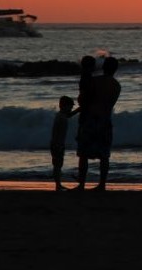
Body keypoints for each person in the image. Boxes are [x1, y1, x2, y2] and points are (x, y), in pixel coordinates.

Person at [74, 56, 121, 191]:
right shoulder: (117, 86)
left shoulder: (95, 81)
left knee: (83, 154)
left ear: (103, 67)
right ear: (115, 69)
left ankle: (82, 184)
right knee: (104, 155)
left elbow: (84, 100)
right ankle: (102, 184)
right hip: (105, 121)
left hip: (90, 119)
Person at [50, 96, 79, 191]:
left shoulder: (61, 115)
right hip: (57, 144)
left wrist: (78, 110)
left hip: (56, 143)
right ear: (63, 106)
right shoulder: (61, 118)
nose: (71, 109)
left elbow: (69, 115)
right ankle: (58, 185)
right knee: (57, 165)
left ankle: (58, 185)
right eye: (70, 107)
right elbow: (57, 133)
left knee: (58, 164)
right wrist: (58, 145)